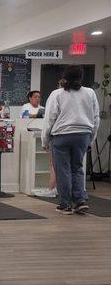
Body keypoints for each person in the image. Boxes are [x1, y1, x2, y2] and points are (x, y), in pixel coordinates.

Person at [42, 65, 99, 215]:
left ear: (64, 77)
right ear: (81, 77)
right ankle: (80, 201)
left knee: (63, 170)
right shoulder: (90, 93)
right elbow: (96, 118)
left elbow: (49, 119)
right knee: (77, 168)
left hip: (61, 136)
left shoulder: (57, 94)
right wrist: (90, 140)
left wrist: (45, 140)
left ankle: (65, 205)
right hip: (83, 135)